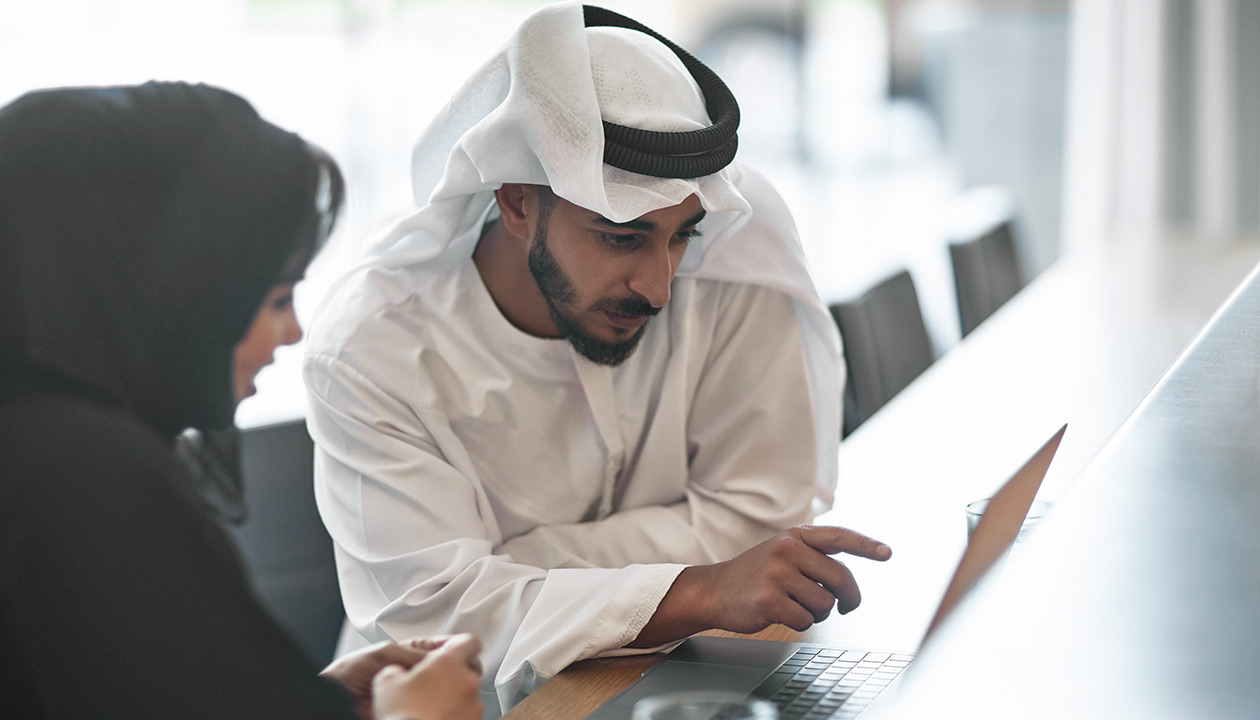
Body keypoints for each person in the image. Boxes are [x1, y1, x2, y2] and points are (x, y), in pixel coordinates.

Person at [302, 3, 891, 711]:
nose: (659, 286)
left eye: (682, 236)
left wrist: (518, 568)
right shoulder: (374, 348)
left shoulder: (735, 261)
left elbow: (765, 521)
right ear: (518, 201)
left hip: (693, 671)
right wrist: (699, 588)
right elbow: (438, 624)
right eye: (621, 237)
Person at [0, 81, 482, 720]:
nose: (294, 331)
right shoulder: (88, 477)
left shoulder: (35, 440)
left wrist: (306, 699)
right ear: (176, 293)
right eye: (275, 297)